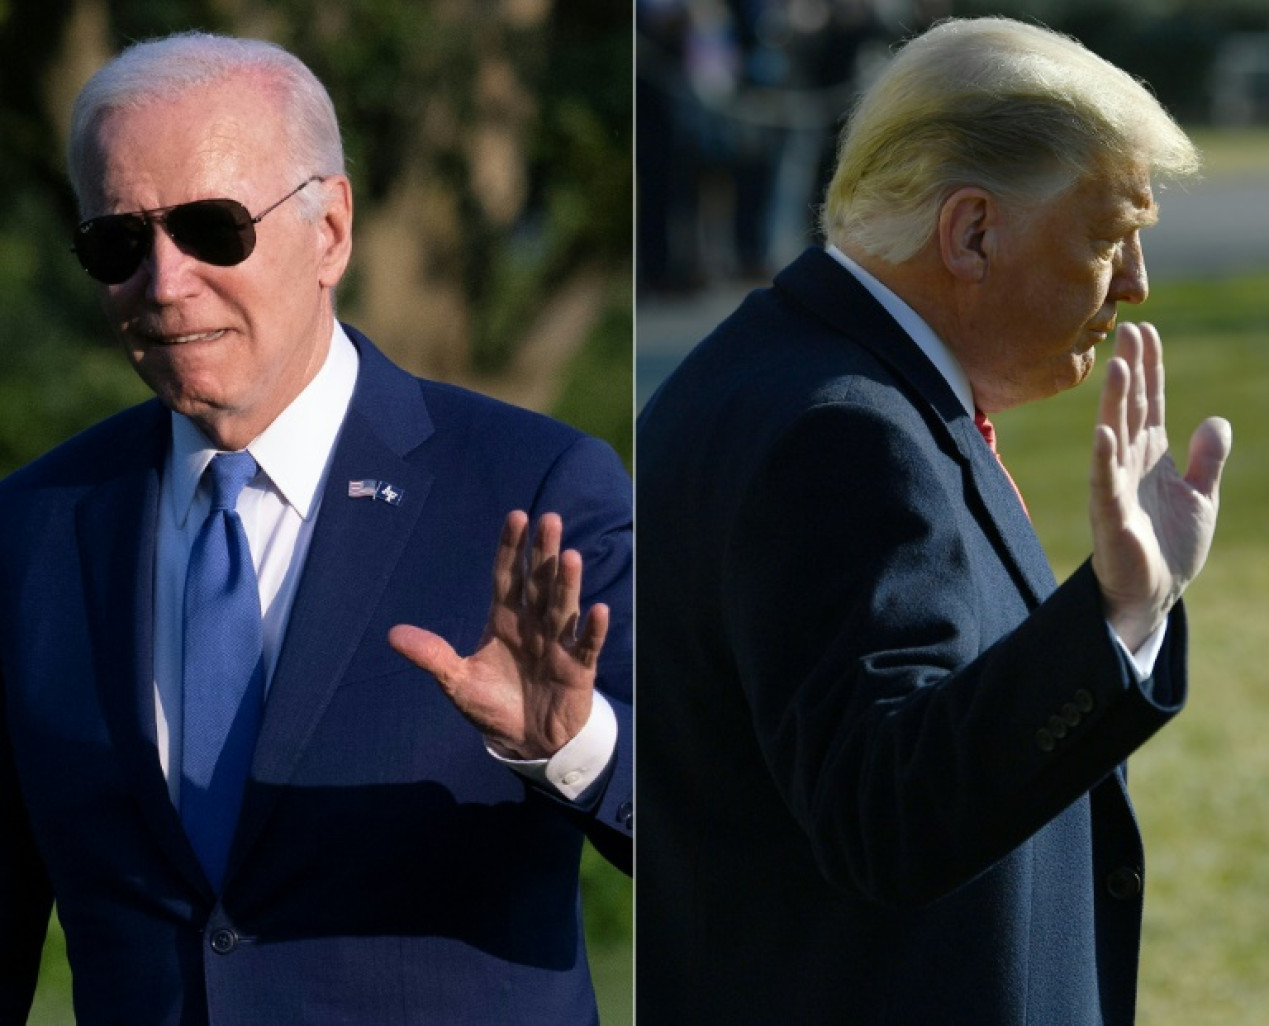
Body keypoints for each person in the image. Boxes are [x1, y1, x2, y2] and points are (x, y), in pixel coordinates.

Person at [0, 31, 630, 1026]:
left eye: (213, 229)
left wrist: (576, 750)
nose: (165, 284)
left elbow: (729, 830)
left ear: (330, 229)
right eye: (118, 243)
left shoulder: (530, 486)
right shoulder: (33, 529)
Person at [636, 16, 1230, 1025]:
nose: (1133, 286)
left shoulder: (791, 374)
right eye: (1107, 239)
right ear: (972, 233)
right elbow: (888, 815)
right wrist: (1117, 616)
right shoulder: (842, 438)